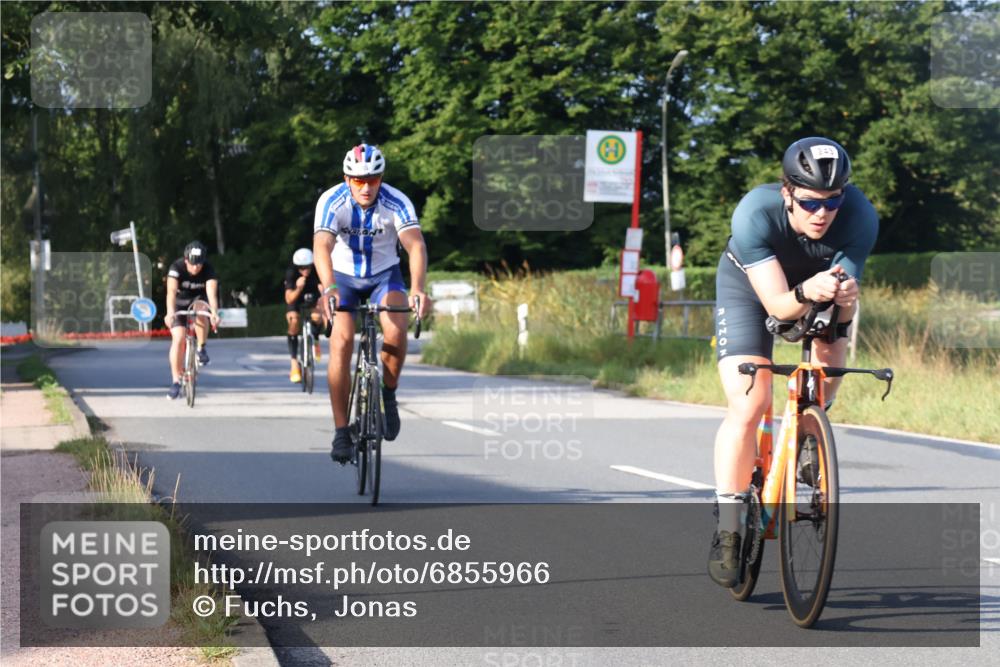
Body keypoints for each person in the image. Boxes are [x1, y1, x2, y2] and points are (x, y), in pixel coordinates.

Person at [708, 137, 878, 587]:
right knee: (751, 400)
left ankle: (807, 433)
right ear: (787, 194)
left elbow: (840, 321)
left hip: (815, 286)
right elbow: (781, 308)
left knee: (830, 347)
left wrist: (845, 300)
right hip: (752, 289)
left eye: (832, 201)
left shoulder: (861, 217)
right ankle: (728, 526)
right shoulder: (754, 213)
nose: (821, 213)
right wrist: (806, 293)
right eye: (808, 202)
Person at [313, 143, 431, 463]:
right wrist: (329, 288)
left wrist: (418, 288)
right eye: (358, 181)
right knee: (340, 342)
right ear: (347, 179)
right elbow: (321, 246)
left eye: (373, 180)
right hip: (343, 278)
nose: (366, 187)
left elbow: (415, 245)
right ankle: (341, 431)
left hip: (384, 275)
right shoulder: (332, 200)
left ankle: (388, 395)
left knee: (395, 329)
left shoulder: (396, 201)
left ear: (381, 178)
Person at [164, 241, 220, 399]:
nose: (196, 268)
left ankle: (201, 348)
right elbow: (171, 292)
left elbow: (211, 292)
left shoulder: (208, 269)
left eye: (199, 264)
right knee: (179, 338)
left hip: (198, 300)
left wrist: (214, 312)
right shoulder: (176, 267)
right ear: (186, 260)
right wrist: (169, 313)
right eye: (193, 264)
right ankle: (175, 381)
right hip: (179, 302)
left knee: (202, 310)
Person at [284, 247, 324, 383]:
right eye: (301, 268)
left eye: (307, 267)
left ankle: (316, 339)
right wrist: (299, 287)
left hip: (312, 296)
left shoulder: (317, 271)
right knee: (293, 320)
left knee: (318, 316)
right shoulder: (291, 273)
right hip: (296, 296)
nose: (304, 270)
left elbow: (324, 291)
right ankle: (294, 364)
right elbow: (289, 299)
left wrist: (323, 293)